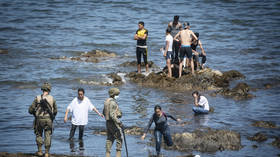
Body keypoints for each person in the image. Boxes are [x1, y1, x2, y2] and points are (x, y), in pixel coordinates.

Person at [28, 82, 57, 157]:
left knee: (39, 134)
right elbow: (55, 111)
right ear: (49, 89)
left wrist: (35, 114)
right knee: (48, 134)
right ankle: (47, 153)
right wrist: (52, 117)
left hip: (39, 119)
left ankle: (40, 151)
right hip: (48, 119)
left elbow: (30, 110)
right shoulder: (52, 98)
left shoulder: (37, 98)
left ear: (42, 89)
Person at [103, 88, 123, 157]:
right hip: (113, 123)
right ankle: (118, 155)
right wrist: (119, 122)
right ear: (114, 94)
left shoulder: (106, 101)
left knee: (110, 138)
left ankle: (107, 154)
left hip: (107, 122)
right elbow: (112, 115)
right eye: (117, 94)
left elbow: (104, 112)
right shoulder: (112, 102)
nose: (118, 96)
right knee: (119, 138)